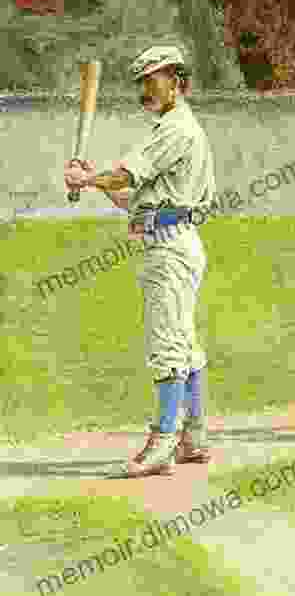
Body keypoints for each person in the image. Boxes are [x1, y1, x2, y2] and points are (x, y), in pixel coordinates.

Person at [63, 45, 217, 477]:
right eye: (143, 80)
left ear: (178, 82)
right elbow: (138, 197)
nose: (147, 87)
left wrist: (86, 177)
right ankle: (195, 435)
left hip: (170, 247)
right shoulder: (173, 128)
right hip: (174, 238)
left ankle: (163, 443)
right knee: (184, 342)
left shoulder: (176, 129)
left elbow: (128, 175)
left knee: (167, 345)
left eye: (155, 78)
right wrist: (97, 183)